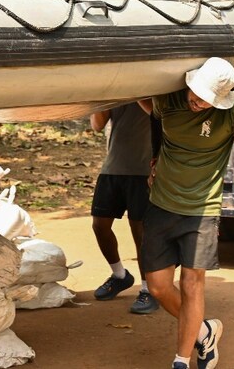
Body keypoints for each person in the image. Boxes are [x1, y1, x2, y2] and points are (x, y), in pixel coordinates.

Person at [138, 57, 234, 369]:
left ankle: (181, 360)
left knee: (192, 283)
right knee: (157, 286)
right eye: (195, 95)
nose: (196, 103)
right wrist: (155, 157)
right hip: (161, 204)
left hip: (202, 210)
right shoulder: (168, 99)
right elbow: (156, 122)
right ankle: (204, 331)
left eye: (205, 100)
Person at [89, 103, 158, 314]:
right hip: (113, 167)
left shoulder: (152, 92)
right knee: (100, 225)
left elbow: (157, 114)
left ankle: (148, 289)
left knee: (140, 231)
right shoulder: (115, 92)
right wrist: (100, 98)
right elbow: (97, 125)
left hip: (144, 169)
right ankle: (120, 275)